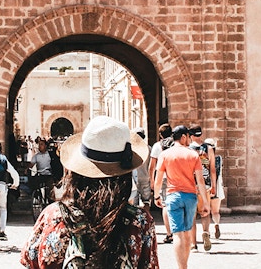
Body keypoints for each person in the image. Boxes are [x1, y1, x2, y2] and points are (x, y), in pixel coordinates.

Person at [21, 115, 157, 269]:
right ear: (125, 175)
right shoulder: (140, 222)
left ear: (76, 172)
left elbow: (30, 261)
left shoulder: (52, 217)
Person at [153, 125, 209, 269]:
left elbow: (158, 179)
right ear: (183, 137)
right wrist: (206, 203)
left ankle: (182, 267)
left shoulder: (165, 155)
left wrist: (157, 196)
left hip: (173, 196)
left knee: (177, 234)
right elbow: (200, 181)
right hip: (190, 196)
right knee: (187, 233)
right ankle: (185, 266)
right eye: (188, 137)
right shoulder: (193, 155)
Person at [189, 125, 217, 249]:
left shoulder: (188, 149)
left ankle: (193, 244)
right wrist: (214, 185)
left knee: (192, 216)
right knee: (205, 213)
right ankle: (205, 232)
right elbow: (213, 170)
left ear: (190, 136)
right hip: (205, 185)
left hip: (190, 185)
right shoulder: (208, 148)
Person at [148, 123, 174, 243]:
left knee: (165, 205)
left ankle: (169, 233)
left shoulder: (157, 146)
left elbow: (152, 166)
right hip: (175, 176)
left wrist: (152, 181)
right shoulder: (175, 145)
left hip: (162, 177)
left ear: (160, 134)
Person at [200, 138, 224, 239]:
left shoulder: (203, 158)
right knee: (216, 211)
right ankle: (216, 225)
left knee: (206, 211)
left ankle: (207, 231)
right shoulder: (219, 158)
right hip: (217, 186)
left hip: (206, 186)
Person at [129, 129, 152, 207]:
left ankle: (136, 218)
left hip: (134, 178)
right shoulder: (149, 148)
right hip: (145, 177)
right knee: (146, 201)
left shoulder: (132, 149)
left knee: (134, 203)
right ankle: (147, 217)